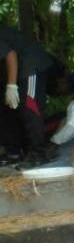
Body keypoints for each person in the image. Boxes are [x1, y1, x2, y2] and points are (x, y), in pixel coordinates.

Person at [0, 24, 56, 167]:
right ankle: (14, 152)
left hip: (30, 64)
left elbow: (10, 54)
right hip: (13, 70)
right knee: (5, 109)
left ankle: (38, 153)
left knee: (30, 106)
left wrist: (11, 86)